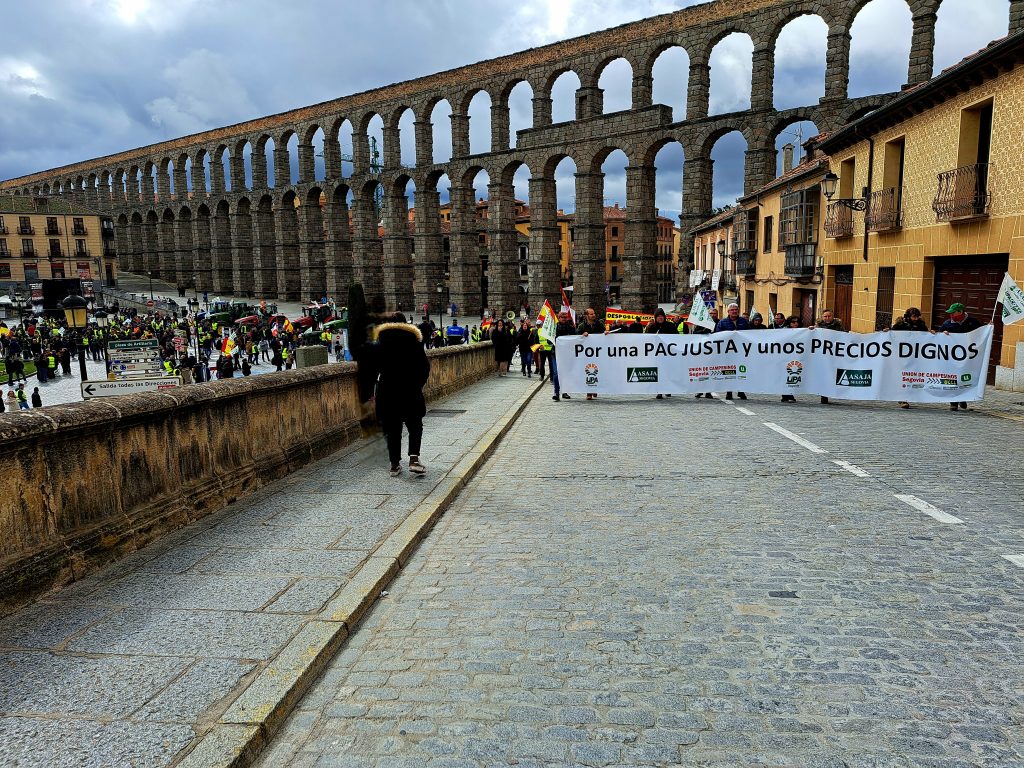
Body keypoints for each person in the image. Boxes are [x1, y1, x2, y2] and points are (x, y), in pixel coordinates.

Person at [374, 312, 431, 477]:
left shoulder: (381, 342)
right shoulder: (414, 341)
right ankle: (413, 459)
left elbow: (373, 369)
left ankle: (394, 465)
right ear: (405, 323)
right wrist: (416, 384)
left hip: (388, 392)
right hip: (410, 390)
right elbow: (424, 368)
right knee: (415, 425)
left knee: (392, 428)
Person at [938, 302, 984, 411]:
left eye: (953, 313)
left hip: (968, 357)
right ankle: (953, 402)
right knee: (953, 377)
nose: (951, 315)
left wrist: (989, 328)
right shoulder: (947, 324)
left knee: (965, 377)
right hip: (952, 357)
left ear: (961, 312)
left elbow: (982, 334)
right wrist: (942, 334)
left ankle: (963, 398)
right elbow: (938, 338)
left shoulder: (973, 322)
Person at [889, 308, 929, 409]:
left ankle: (909, 395)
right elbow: (892, 335)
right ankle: (902, 398)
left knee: (911, 376)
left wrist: (932, 333)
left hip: (915, 355)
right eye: (914, 316)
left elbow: (926, 335)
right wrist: (886, 332)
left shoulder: (921, 324)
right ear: (908, 316)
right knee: (902, 375)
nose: (916, 318)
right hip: (901, 354)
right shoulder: (900, 324)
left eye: (917, 316)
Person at [714, 303, 749, 400]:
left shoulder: (744, 321)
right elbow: (718, 335)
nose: (734, 311)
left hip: (741, 351)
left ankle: (741, 391)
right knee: (729, 372)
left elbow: (749, 334)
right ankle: (729, 392)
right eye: (732, 310)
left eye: (736, 310)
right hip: (728, 352)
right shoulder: (722, 322)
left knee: (741, 371)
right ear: (728, 311)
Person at [813, 308, 847, 403]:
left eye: (829, 316)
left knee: (833, 374)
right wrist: (811, 330)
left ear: (832, 316)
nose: (827, 318)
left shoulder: (838, 326)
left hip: (834, 354)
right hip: (822, 355)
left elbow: (844, 337)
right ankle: (824, 396)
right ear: (822, 317)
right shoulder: (818, 327)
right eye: (825, 316)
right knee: (824, 374)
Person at [645, 309, 676, 399]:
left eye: (661, 316)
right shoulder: (651, 327)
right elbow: (646, 338)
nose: (660, 318)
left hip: (667, 354)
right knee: (658, 373)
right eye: (658, 316)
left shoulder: (670, 325)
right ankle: (659, 391)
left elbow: (676, 337)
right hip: (656, 354)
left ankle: (667, 389)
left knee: (667, 372)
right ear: (655, 318)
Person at [577, 307, 606, 400]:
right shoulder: (581, 326)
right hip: (586, 353)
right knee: (588, 371)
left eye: (594, 313)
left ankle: (595, 388)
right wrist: (582, 335)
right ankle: (588, 392)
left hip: (598, 352)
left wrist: (606, 332)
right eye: (591, 314)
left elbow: (604, 332)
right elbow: (576, 337)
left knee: (598, 371)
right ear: (586, 316)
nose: (594, 315)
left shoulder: (599, 324)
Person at [550, 310, 576, 401]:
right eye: (562, 317)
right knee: (556, 373)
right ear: (559, 318)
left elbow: (575, 338)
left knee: (565, 373)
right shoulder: (554, 328)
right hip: (555, 353)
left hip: (567, 354)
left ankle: (565, 391)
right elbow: (549, 340)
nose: (564, 319)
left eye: (565, 317)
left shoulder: (570, 327)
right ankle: (556, 393)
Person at [691, 306, 717, 398]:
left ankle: (708, 391)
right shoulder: (702, 323)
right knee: (702, 372)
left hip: (714, 352)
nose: (713, 315)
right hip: (702, 352)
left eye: (714, 314)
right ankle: (700, 390)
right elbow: (695, 334)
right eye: (711, 313)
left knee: (710, 372)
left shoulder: (719, 323)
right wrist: (704, 331)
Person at [780, 316, 801, 402]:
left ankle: (789, 394)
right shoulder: (784, 331)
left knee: (792, 375)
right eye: (793, 322)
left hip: (795, 356)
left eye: (797, 322)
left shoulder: (802, 331)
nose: (795, 324)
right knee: (785, 375)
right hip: (785, 356)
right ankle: (785, 394)